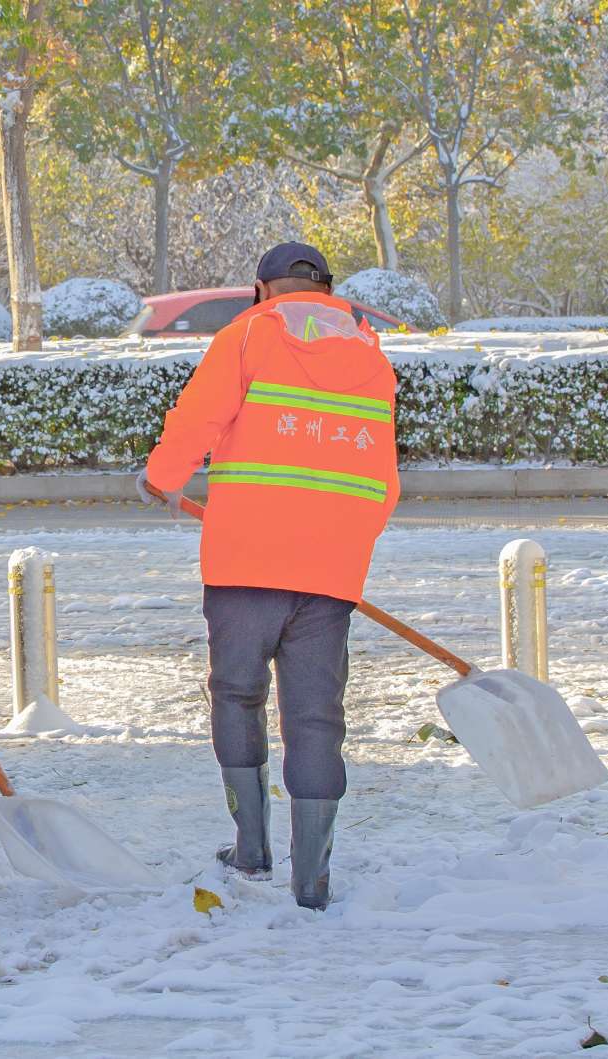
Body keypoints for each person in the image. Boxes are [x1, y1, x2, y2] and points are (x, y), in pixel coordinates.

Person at [136, 242, 400, 910]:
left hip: (246, 560)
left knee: (237, 694)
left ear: (261, 290)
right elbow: (382, 476)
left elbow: (197, 417)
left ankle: (252, 849)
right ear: (328, 289)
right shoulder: (369, 352)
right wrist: (348, 544)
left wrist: (161, 478)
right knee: (316, 717)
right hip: (330, 569)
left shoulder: (248, 333)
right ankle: (312, 879)